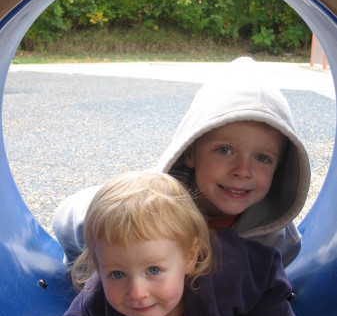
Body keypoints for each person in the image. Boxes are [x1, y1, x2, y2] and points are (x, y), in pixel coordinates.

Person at [53, 58, 311, 268]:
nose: (243, 171)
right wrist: (87, 266)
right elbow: (73, 214)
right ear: (190, 152)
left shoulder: (276, 239)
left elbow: (271, 286)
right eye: (224, 150)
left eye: (262, 158)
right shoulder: (149, 204)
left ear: (279, 167)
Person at [63, 171, 296, 316]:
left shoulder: (227, 269)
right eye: (117, 274)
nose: (136, 292)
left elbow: (267, 269)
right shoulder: (98, 297)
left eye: (154, 270)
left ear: (190, 257)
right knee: (72, 218)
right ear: (98, 265)